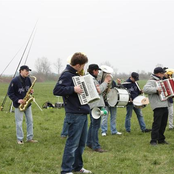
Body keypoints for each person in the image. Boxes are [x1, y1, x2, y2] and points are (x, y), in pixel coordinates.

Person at [53, 52, 92, 174]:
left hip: (82, 112)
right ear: (78, 65)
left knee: (81, 143)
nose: (84, 68)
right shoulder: (67, 75)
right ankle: (66, 170)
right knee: (72, 143)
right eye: (83, 65)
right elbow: (57, 90)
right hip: (74, 114)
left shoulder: (75, 74)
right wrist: (73, 89)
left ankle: (77, 167)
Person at [7, 65, 38, 145]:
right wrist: (18, 100)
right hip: (19, 105)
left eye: (28, 71)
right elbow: (10, 93)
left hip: (27, 104)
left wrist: (31, 91)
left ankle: (30, 138)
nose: (28, 72)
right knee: (19, 122)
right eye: (26, 70)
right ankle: (20, 139)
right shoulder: (15, 80)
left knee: (30, 121)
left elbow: (28, 89)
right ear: (20, 71)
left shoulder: (28, 79)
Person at [86, 64, 111, 152]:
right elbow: (99, 90)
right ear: (94, 71)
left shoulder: (91, 78)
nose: (98, 72)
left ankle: (89, 142)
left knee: (93, 125)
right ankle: (96, 146)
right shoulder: (90, 79)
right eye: (97, 71)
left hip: (94, 104)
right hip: (95, 104)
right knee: (96, 125)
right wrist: (106, 82)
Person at [143, 67, 169, 145]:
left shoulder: (162, 80)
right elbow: (145, 89)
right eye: (162, 73)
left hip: (165, 104)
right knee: (157, 124)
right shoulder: (151, 80)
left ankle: (161, 139)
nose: (163, 74)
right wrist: (156, 89)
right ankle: (153, 140)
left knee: (163, 123)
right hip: (157, 105)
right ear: (158, 73)